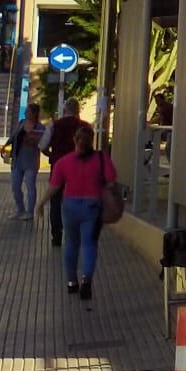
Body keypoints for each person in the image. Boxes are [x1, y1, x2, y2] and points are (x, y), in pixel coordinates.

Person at [48, 123, 115, 300]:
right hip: (92, 206)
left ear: (74, 140)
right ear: (92, 140)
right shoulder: (101, 158)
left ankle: (71, 282)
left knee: (70, 243)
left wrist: (40, 204)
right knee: (89, 244)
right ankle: (86, 280)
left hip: (70, 205)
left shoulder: (64, 162)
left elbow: (54, 186)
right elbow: (111, 180)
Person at [42, 110, 82, 248]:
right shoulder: (84, 126)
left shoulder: (54, 125)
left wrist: (52, 155)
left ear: (64, 111)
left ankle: (56, 236)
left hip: (58, 167)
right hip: (77, 169)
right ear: (78, 111)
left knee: (55, 202)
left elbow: (42, 145)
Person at [6, 112, 43, 220]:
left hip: (31, 161)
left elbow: (42, 143)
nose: (26, 113)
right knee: (15, 186)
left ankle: (30, 212)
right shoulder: (21, 123)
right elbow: (13, 136)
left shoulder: (40, 127)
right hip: (17, 160)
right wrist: (6, 145)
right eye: (26, 111)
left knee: (30, 186)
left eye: (29, 111)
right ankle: (20, 209)